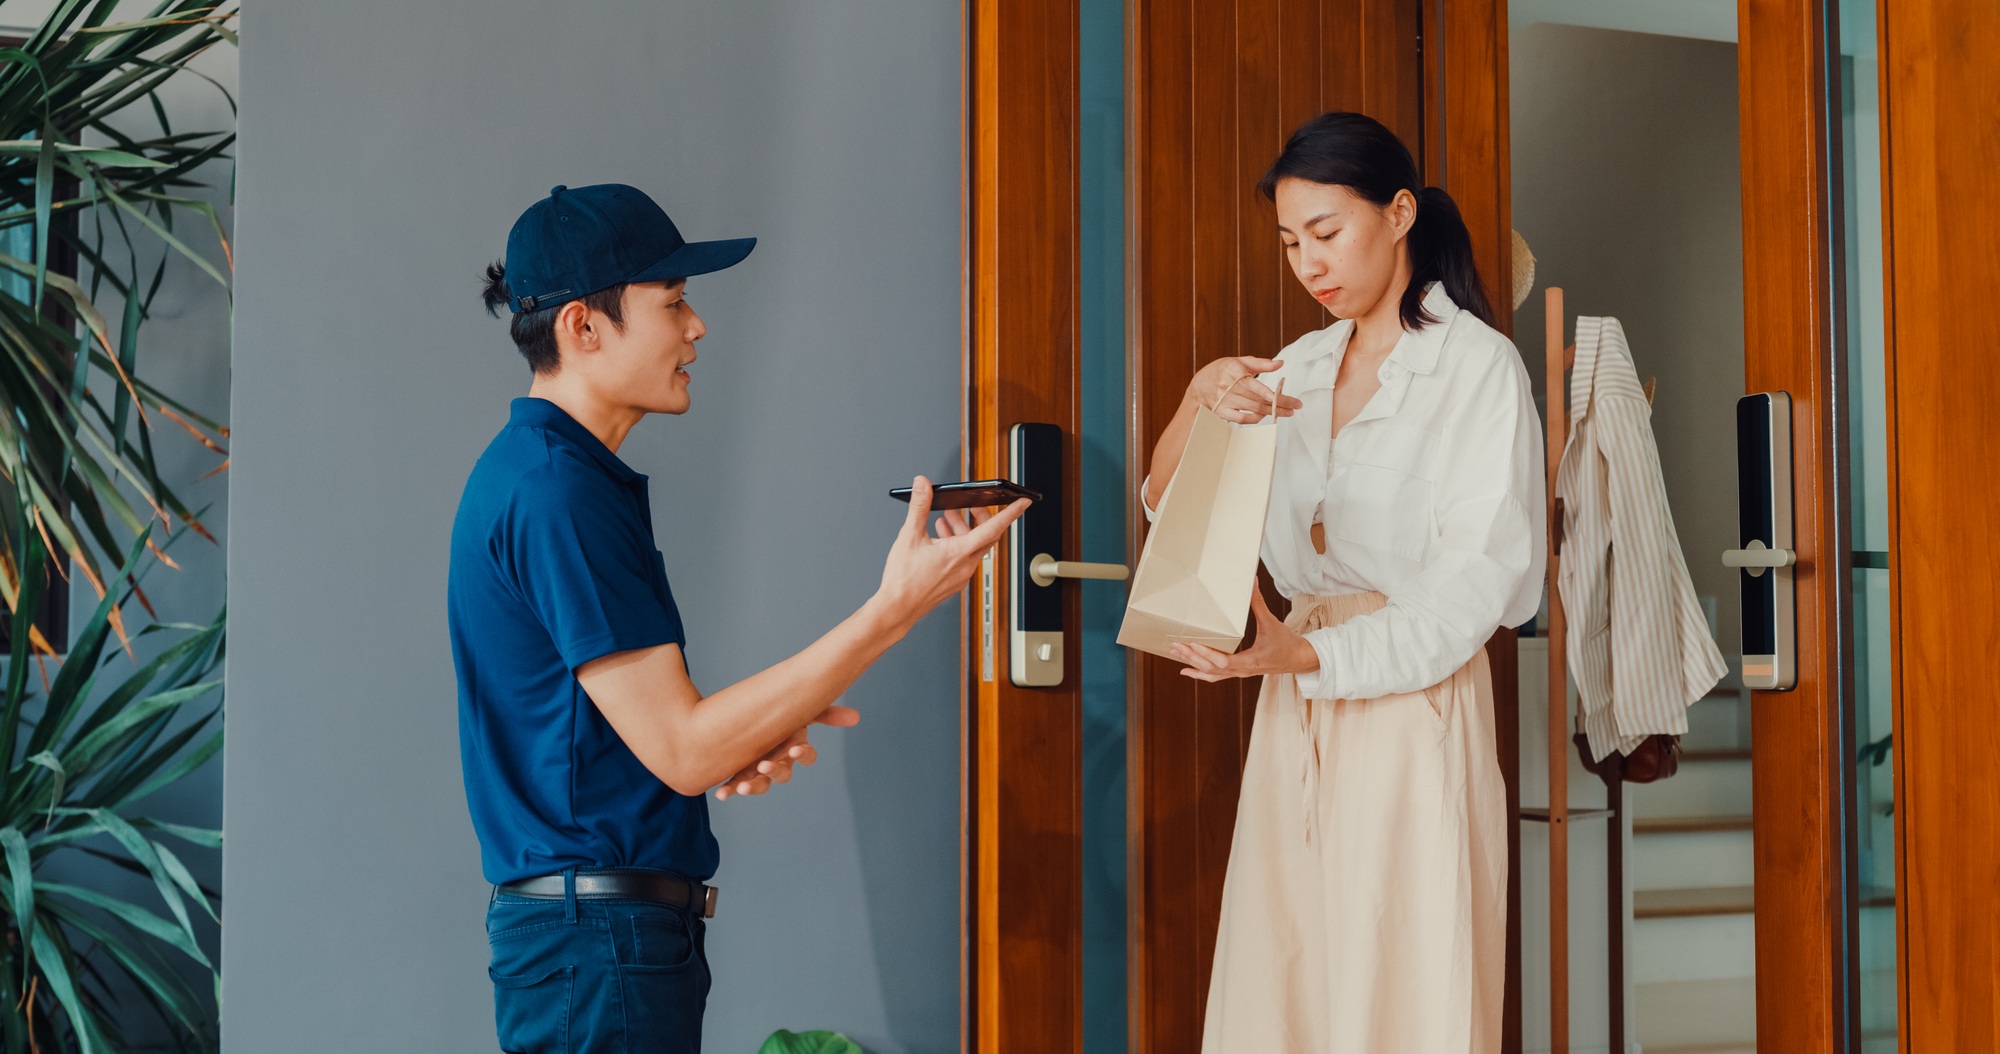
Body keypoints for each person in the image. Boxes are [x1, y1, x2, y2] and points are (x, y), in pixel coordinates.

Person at [448, 183, 1026, 1054]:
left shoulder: (552, 474)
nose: (697, 327)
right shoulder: (557, 491)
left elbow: (633, 735)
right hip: (599, 953)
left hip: (597, 946)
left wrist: (745, 733)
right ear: (582, 326)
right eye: (673, 302)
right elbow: (685, 750)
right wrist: (892, 610)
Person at [1141, 114, 1545, 1052]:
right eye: (1290, 243)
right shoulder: (1300, 366)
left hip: (1413, 705)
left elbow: (1473, 590)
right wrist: (1198, 400)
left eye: (1326, 232)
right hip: (1294, 703)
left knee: (1404, 984)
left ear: (1399, 213)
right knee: (1283, 981)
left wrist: (1307, 649)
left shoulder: (1477, 367)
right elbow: (1174, 510)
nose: (1307, 263)